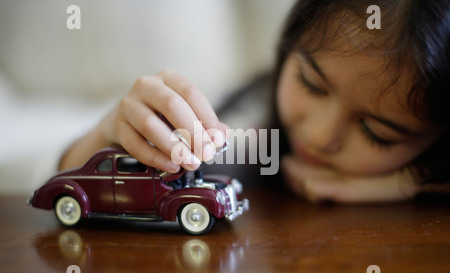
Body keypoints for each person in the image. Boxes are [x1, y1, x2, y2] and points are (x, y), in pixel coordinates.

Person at [57, 0, 450, 204]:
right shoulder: (245, 140)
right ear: (287, 48)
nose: (317, 135)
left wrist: (409, 185)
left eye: (377, 132)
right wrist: (106, 135)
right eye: (312, 84)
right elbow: (62, 180)